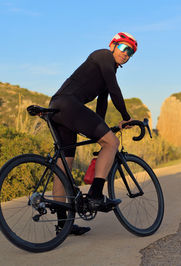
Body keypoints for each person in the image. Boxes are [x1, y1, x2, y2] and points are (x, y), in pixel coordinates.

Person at [49, 32, 138, 235]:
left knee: (64, 167)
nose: (126, 55)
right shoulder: (103, 56)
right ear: (113, 45)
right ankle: (96, 195)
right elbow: (114, 90)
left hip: (57, 106)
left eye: (131, 53)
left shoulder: (107, 69)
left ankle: (63, 225)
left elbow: (102, 103)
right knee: (112, 143)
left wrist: (101, 126)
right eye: (124, 48)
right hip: (70, 106)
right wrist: (126, 117)